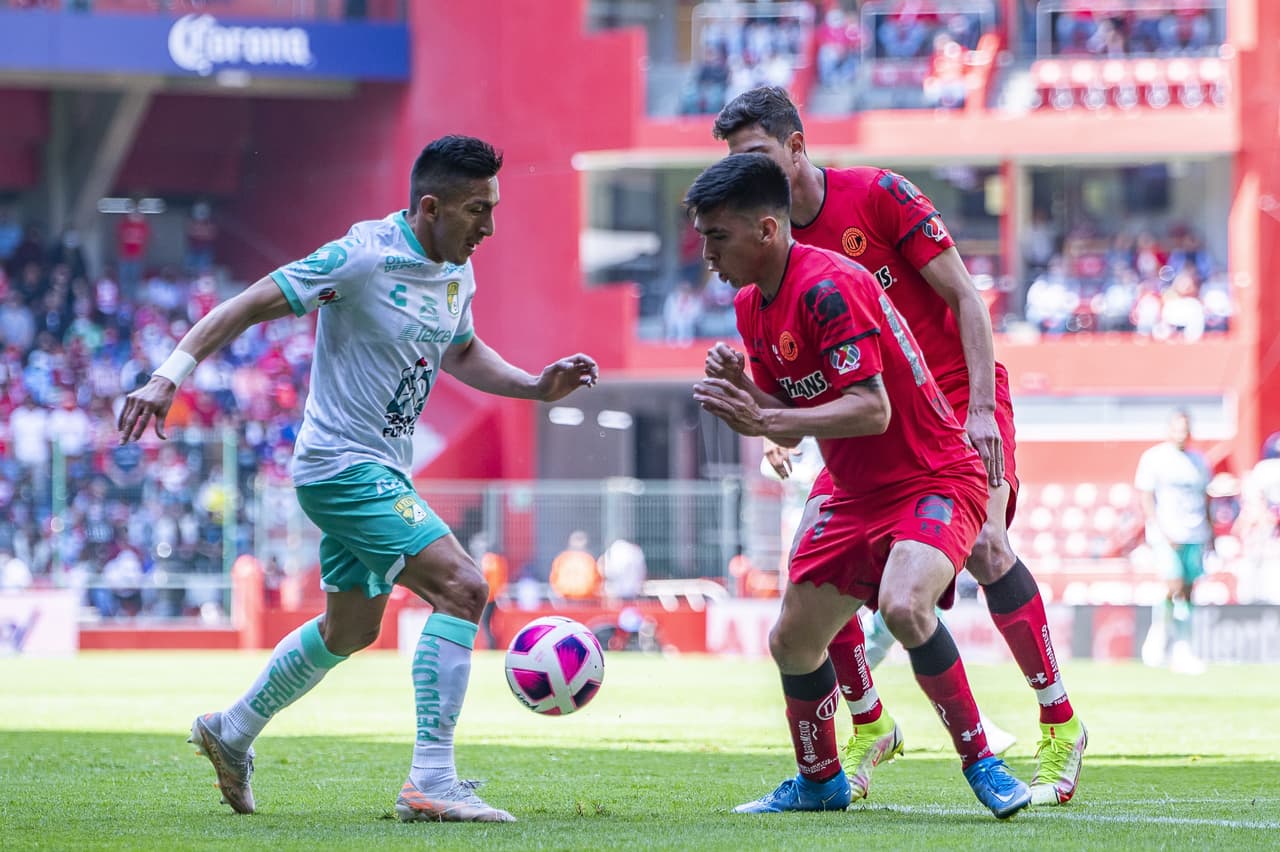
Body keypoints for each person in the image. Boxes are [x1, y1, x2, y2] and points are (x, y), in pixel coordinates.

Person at [117, 135, 599, 823]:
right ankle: (431, 780)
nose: (489, 227)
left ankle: (230, 731)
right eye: (476, 211)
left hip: (379, 469)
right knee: (463, 587)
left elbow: (458, 349)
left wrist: (535, 387)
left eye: (493, 209)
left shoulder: (456, 271)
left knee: (350, 631)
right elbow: (249, 304)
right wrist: (170, 375)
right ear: (429, 207)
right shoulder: (362, 255)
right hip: (341, 467)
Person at [713, 86, 1086, 807]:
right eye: (733, 164)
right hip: (867, 417)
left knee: (988, 548)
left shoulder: (879, 195)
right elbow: (792, 370)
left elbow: (965, 299)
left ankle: (1059, 722)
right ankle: (867, 723)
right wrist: (772, 423)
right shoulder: (768, 247)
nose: (743, 176)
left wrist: (980, 406)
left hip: (951, 396)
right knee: (821, 562)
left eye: (755, 157)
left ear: (796, 147)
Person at [763, 435, 1017, 757]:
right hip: (844, 457)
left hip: (907, 455)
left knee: (907, 605)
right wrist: (771, 430)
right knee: (819, 577)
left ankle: (975, 735)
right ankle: (868, 718)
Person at [1135, 410, 1213, 673]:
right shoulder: (1155, 458)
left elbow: (1206, 499)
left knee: (1189, 590)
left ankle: (1183, 648)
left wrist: (1210, 533)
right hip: (1167, 534)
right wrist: (1159, 528)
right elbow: (1146, 496)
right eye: (1177, 428)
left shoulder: (1200, 461)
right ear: (1168, 430)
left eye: (1186, 429)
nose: (1182, 433)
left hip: (1195, 533)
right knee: (1173, 585)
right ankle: (1158, 637)